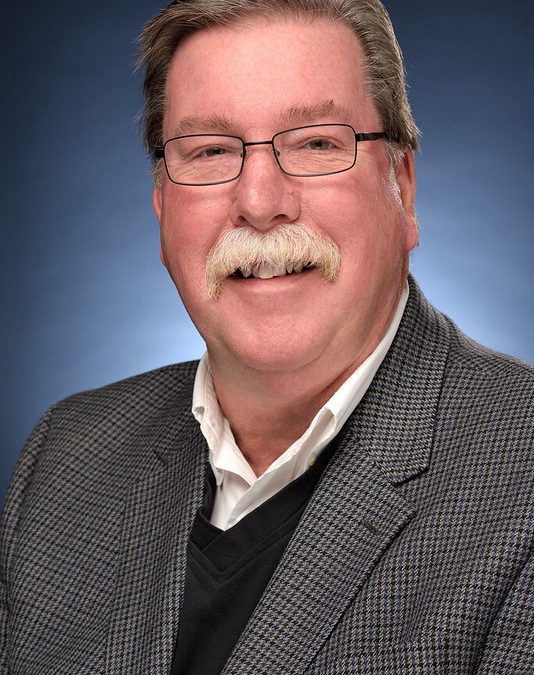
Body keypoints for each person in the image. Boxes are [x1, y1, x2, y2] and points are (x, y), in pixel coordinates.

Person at [1, 0, 532, 672]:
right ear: (162, 205)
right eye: (211, 151)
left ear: (402, 186)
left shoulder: (521, 479)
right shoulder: (68, 455)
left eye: (316, 142)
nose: (259, 201)